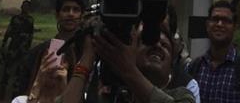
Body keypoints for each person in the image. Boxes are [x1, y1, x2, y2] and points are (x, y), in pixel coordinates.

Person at [61, 24, 195, 103]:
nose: (157, 45)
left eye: (165, 45)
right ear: (131, 52)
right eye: (147, 42)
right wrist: (86, 58)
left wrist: (128, 70)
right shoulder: (114, 97)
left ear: (172, 62)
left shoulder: (182, 95)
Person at [189, 1, 240, 103]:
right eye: (215, 19)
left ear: (235, 27)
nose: (219, 24)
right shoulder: (194, 67)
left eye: (226, 20)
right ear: (207, 25)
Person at [20, 0, 85, 95]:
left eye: (76, 10)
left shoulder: (87, 52)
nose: (71, 14)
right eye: (66, 9)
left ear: (81, 16)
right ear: (57, 15)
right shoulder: (39, 52)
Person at [0, 2, 34, 101]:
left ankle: (15, 96)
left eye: (28, 7)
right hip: (13, 47)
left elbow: (30, 36)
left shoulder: (30, 20)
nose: (25, 8)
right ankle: (2, 94)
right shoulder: (15, 19)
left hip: (23, 50)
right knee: (7, 71)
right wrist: (3, 44)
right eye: (24, 6)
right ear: (21, 7)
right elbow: (8, 32)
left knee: (19, 73)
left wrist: (27, 49)